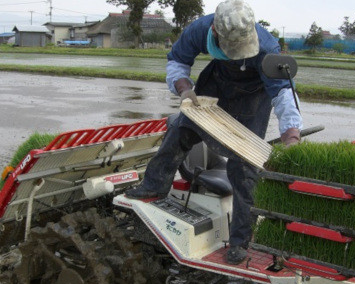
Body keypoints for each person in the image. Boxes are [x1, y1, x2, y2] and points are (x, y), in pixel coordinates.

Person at [126, 0, 302, 265]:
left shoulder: (266, 48)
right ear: (216, 32)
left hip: (251, 99)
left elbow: (282, 92)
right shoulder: (200, 29)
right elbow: (177, 60)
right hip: (214, 88)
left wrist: (291, 135)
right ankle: (154, 186)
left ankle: (240, 242)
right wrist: (184, 88)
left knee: (244, 169)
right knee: (178, 129)